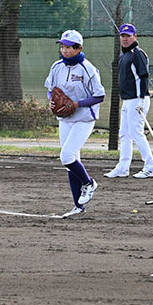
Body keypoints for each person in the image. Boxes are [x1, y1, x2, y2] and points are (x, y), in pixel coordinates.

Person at [46, 30, 106, 217]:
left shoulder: (87, 69)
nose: (64, 50)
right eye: (62, 46)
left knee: (67, 156)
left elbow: (100, 95)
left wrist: (77, 103)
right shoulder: (56, 67)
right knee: (71, 161)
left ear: (79, 48)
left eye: (68, 47)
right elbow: (51, 89)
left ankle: (89, 183)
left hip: (84, 118)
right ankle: (78, 206)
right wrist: (52, 101)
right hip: (65, 120)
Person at [105, 23, 153, 179]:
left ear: (135, 36)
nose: (125, 38)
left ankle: (150, 166)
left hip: (137, 99)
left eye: (128, 36)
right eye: (122, 36)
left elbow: (143, 76)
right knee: (124, 134)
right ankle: (123, 167)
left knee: (136, 133)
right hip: (128, 100)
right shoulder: (124, 56)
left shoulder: (138, 54)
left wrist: (141, 99)